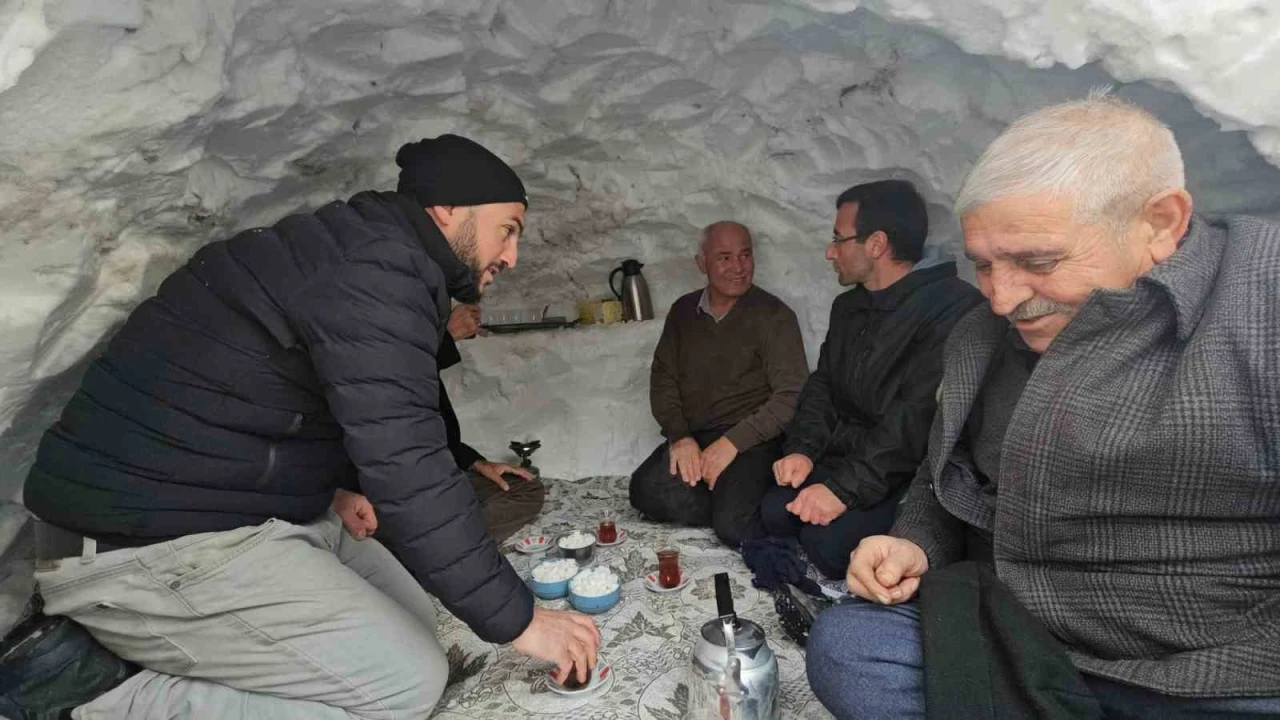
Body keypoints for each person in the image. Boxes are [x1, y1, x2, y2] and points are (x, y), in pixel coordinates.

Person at [23, 134, 600, 719]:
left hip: (236, 511)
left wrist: (336, 487)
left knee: (417, 627)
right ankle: (91, 699)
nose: (511, 256)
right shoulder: (375, 271)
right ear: (449, 208)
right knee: (404, 686)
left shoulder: (370, 256)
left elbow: (291, 402)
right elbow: (408, 466)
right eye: (508, 230)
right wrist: (520, 622)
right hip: (144, 544)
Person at [807, 95, 1280, 719]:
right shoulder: (982, 338)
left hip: (1220, 673)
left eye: (1037, 261)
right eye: (983, 266)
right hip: (1028, 646)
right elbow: (942, 476)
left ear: (1160, 223)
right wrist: (916, 545)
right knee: (849, 647)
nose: (1002, 299)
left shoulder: (1262, 302)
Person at [760, 180, 982, 579]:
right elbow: (823, 385)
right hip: (850, 455)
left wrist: (842, 491)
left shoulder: (953, 308)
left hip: (906, 472)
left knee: (828, 546)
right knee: (775, 511)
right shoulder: (849, 306)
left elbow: (914, 420)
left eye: (838, 239)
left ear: (876, 244)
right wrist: (802, 449)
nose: (830, 252)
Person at [629, 221, 808, 547]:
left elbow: (791, 396)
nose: (738, 267)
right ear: (702, 263)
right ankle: (735, 500)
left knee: (733, 528)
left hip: (753, 442)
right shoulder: (683, 312)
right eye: (724, 257)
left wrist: (732, 444)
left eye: (745, 255)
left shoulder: (774, 316)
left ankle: (740, 503)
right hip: (697, 438)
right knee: (644, 490)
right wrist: (680, 437)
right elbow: (663, 379)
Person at [333, 302, 547, 546]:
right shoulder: (362, 345)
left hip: (435, 474)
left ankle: (433, 540)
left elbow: (433, 432)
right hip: (383, 485)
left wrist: (476, 462)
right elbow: (385, 408)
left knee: (525, 489)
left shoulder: (414, 349)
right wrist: (443, 339)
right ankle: (428, 545)